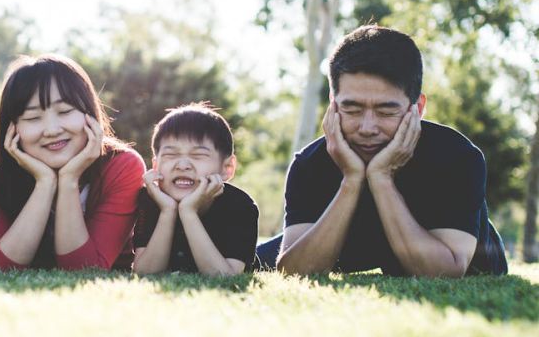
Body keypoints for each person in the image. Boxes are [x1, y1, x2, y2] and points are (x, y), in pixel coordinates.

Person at [259, 25, 508, 277]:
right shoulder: (309, 164)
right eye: (353, 109)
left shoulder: (458, 157)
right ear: (333, 106)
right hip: (351, 241)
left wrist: (381, 178)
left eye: (386, 112)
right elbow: (293, 272)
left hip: (453, 247)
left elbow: (446, 271)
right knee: (250, 258)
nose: (367, 128)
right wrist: (351, 180)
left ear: (417, 108)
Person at [0, 54, 145, 270]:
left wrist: (68, 180)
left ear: (89, 113)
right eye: (32, 118)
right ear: (12, 128)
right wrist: (45, 183)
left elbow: (84, 269)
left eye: (65, 112)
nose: (53, 130)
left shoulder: (123, 167)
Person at [132, 103, 259, 275]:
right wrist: (167, 211)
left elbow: (225, 276)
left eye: (198, 155)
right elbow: (145, 273)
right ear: (155, 165)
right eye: (171, 155)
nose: (183, 165)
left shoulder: (240, 205)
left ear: (227, 167)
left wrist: (188, 212)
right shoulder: (151, 198)